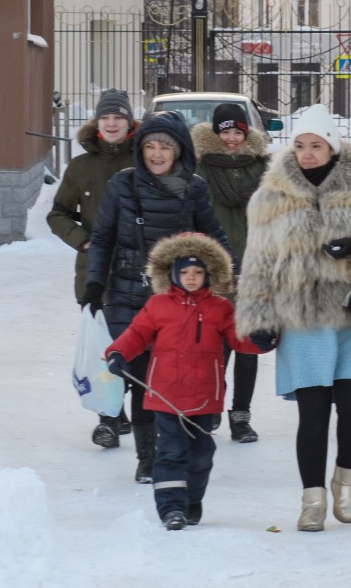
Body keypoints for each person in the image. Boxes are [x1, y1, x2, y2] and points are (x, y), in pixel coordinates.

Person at [236, 104, 351, 532]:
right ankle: (312, 500)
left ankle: (345, 480)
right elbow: (258, 261)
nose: (307, 153)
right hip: (302, 320)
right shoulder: (270, 197)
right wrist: (258, 313)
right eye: (300, 145)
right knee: (312, 415)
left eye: (316, 145)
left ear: (332, 147)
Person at [83, 110, 232, 484]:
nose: (157, 154)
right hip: (126, 293)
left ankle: (173, 449)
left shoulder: (194, 188)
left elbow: (212, 235)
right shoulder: (122, 185)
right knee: (140, 376)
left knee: (165, 376)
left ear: (179, 149)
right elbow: (102, 238)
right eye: (150, 146)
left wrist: (231, 275)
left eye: (165, 146)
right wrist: (94, 285)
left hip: (175, 298)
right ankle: (147, 457)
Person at [104, 232, 264, 530]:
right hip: (165, 394)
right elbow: (137, 334)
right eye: (185, 272)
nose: (191, 278)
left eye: (198, 272)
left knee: (202, 453)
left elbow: (239, 340)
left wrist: (261, 339)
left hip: (205, 396)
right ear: (172, 273)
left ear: (209, 274)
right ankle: (171, 508)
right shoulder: (158, 305)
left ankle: (191, 499)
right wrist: (118, 353)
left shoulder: (220, 308)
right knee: (171, 451)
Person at [46, 88, 138, 445]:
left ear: (129, 122)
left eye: (118, 117)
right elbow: (58, 213)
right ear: (97, 123)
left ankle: (122, 407)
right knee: (104, 345)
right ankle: (108, 419)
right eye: (105, 118)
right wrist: (83, 240)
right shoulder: (82, 166)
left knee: (135, 343)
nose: (112, 123)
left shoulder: (144, 159)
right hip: (96, 271)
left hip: (137, 270)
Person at [191, 102, 271, 443]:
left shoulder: (265, 169)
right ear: (215, 133)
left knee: (248, 348)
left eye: (238, 132)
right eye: (225, 132)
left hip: (254, 270)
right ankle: (210, 410)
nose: (232, 139)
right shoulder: (199, 169)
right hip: (216, 270)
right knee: (216, 348)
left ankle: (241, 417)